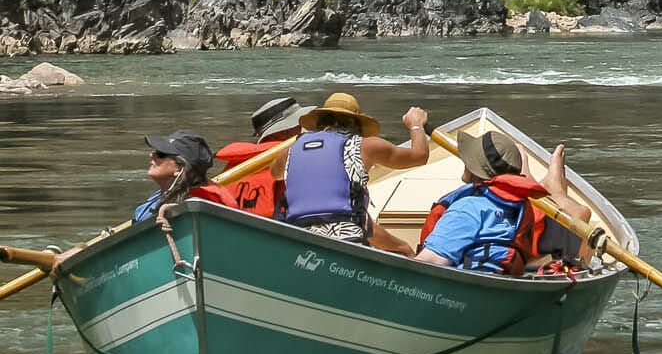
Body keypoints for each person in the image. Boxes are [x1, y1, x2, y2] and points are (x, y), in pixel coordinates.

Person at [416, 128, 593, 276]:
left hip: (472, 292)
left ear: (475, 169)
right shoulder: (522, 206)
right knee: (574, 218)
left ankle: (552, 187)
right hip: (503, 280)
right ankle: (551, 187)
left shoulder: (467, 209)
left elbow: (429, 263)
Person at [282, 91, 430, 244]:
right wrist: (416, 124)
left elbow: (276, 173)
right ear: (357, 124)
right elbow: (419, 156)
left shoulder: (290, 150)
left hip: (295, 239)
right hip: (346, 239)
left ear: (319, 123)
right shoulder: (367, 146)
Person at [214, 95, 308, 218]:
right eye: (300, 124)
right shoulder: (293, 157)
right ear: (286, 131)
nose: (305, 128)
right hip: (273, 226)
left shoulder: (236, 163)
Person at [134, 132, 237, 222]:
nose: (151, 155)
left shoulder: (200, 206)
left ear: (179, 168)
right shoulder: (161, 194)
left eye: (160, 154)